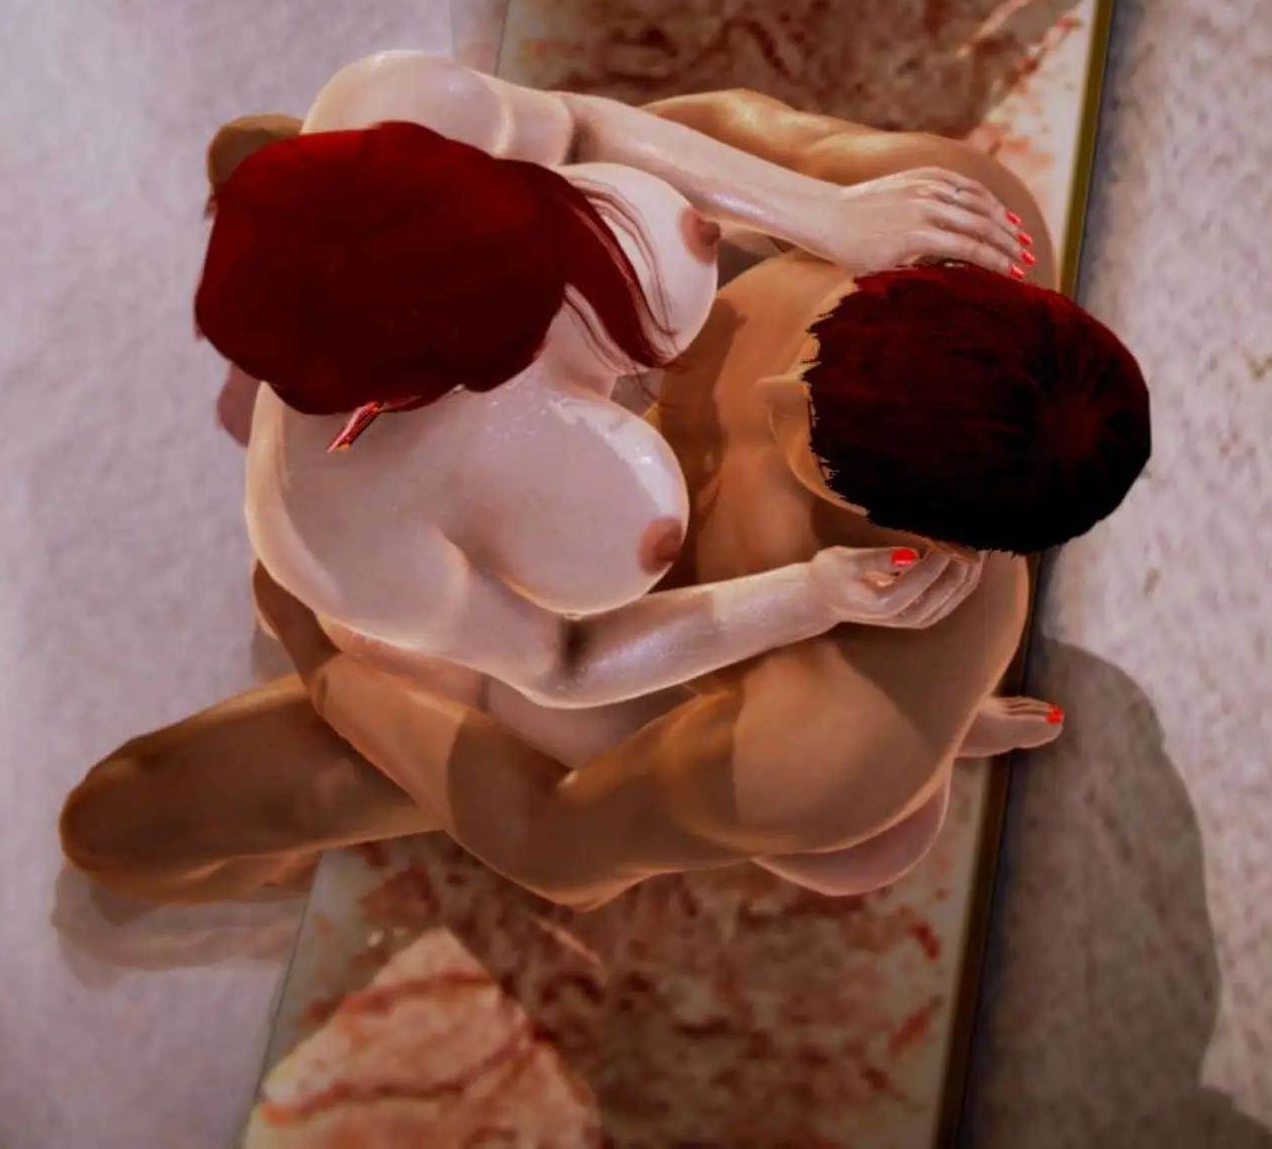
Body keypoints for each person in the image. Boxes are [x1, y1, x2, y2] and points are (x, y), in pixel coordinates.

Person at [60, 85, 1150, 907]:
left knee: (123, 818)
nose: (773, 385)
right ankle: (912, 761)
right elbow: (628, 132)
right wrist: (816, 211)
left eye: (811, 440)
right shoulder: (955, 213)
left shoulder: (835, 738)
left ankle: (905, 770)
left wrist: (324, 659)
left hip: (614, 659)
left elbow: (557, 839)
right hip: (534, 404)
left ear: (910, 527)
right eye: (828, 329)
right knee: (273, 158)